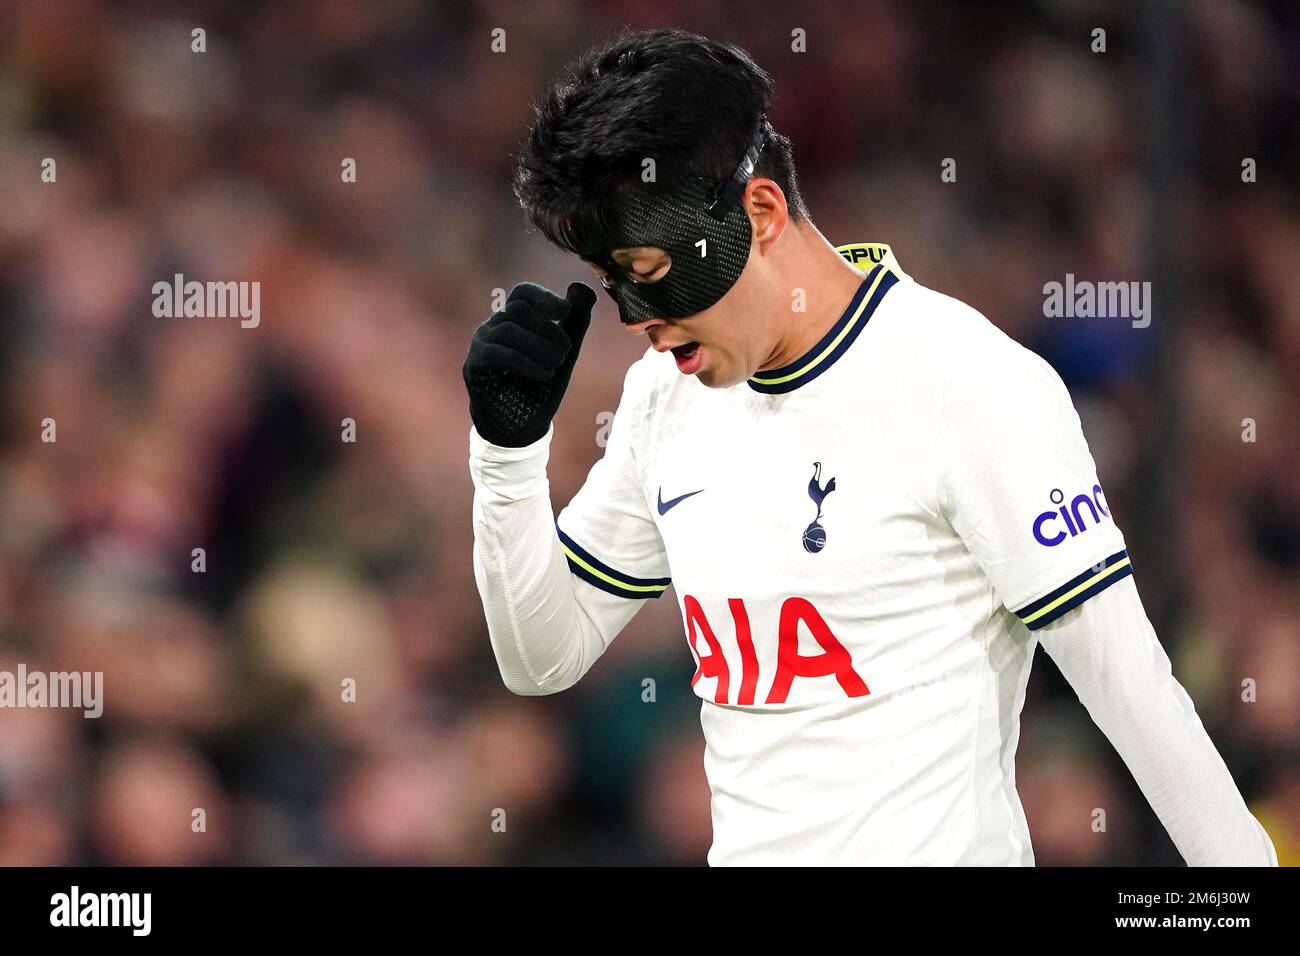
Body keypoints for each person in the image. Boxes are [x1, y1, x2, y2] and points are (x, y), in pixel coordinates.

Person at [462, 27, 1277, 865]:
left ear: (762, 211)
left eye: (650, 270)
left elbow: (1128, 682)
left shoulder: (969, 384)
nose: (635, 316)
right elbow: (542, 657)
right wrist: (507, 455)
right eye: (612, 283)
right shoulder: (660, 400)